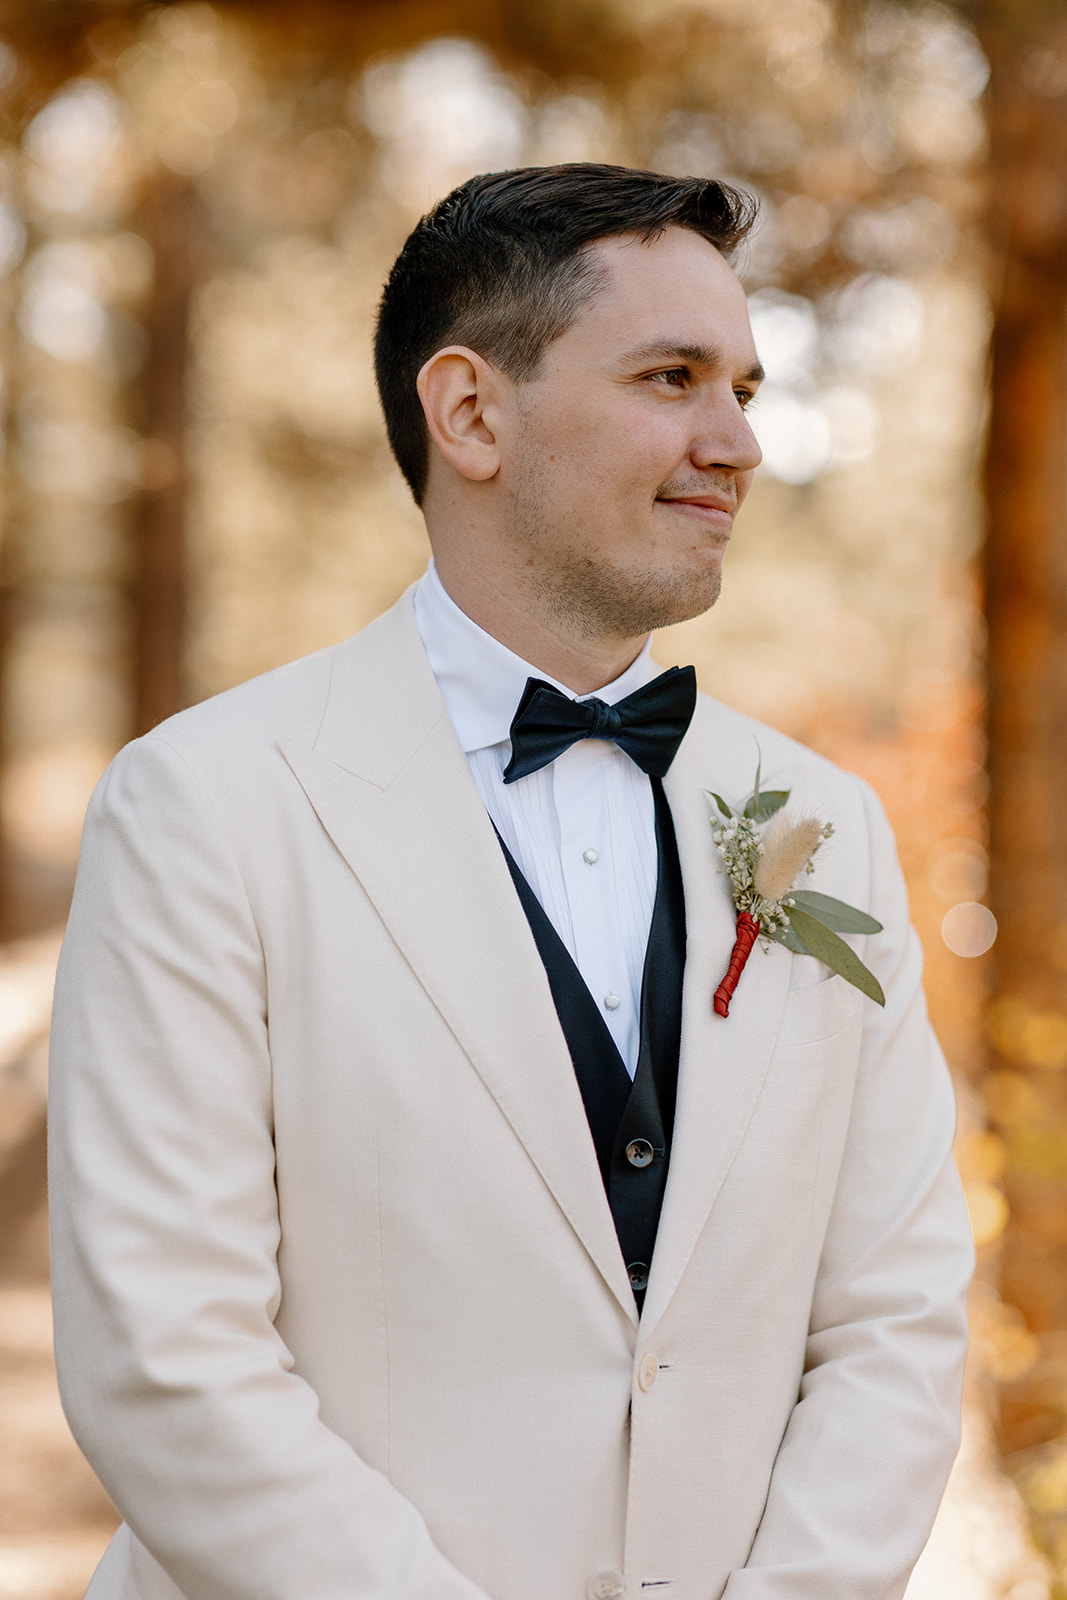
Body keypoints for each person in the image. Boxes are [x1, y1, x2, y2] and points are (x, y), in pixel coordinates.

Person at [49, 164, 973, 1600]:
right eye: (674, 377)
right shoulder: (205, 806)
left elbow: (897, 1318)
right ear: (471, 412)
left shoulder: (821, 824)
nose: (737, 440)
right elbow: (166, 1359)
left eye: (744, 383)